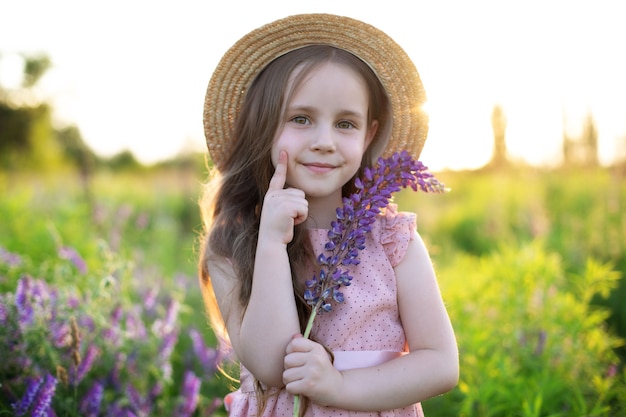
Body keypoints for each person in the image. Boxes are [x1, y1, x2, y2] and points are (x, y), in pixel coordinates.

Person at [198, 13, 459, 417]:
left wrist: (339, 387)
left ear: (369, 134)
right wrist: (270, 243)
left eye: (345, 124)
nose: (324, 142)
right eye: (301, 118)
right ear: (263, 126)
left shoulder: (392, 240)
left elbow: (441, 364)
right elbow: (271, 365)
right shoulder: (233, 242)